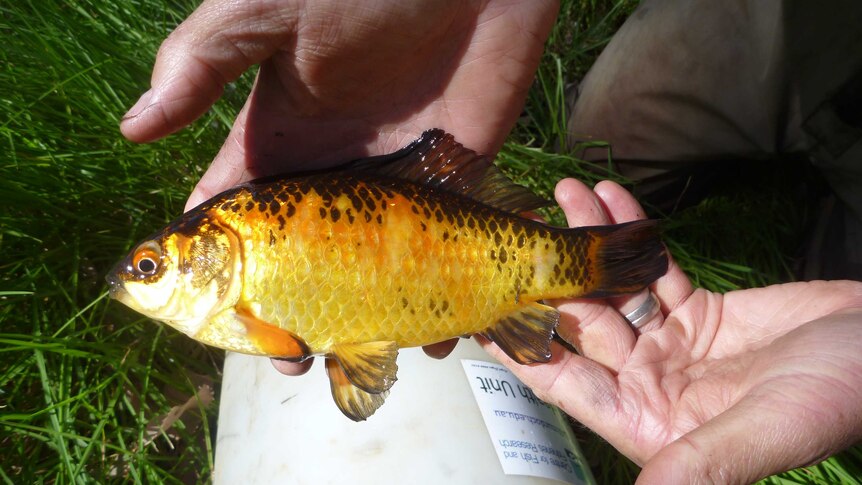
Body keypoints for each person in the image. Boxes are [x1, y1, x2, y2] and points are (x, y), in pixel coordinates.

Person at [120, 1, 862, 483]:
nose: (139, 279)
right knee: (614, 125)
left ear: (206, 250)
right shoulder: (242, 240)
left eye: (151, 267)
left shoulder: (242, 243)